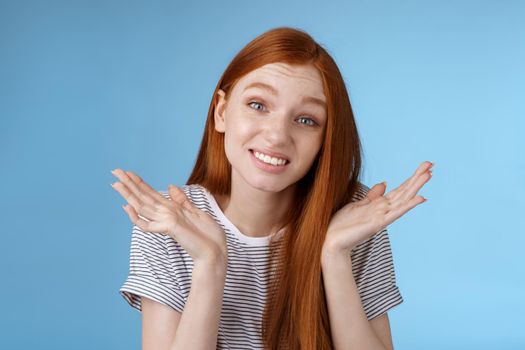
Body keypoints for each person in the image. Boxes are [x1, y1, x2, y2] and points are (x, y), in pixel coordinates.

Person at [111, 26, 433, 350]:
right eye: (258, 105)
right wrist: (210, 262)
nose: (278, 135)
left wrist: (335, 254)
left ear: (326, 139)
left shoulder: (354, 217)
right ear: (221, 112)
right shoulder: (172, 221)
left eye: (307, 119)